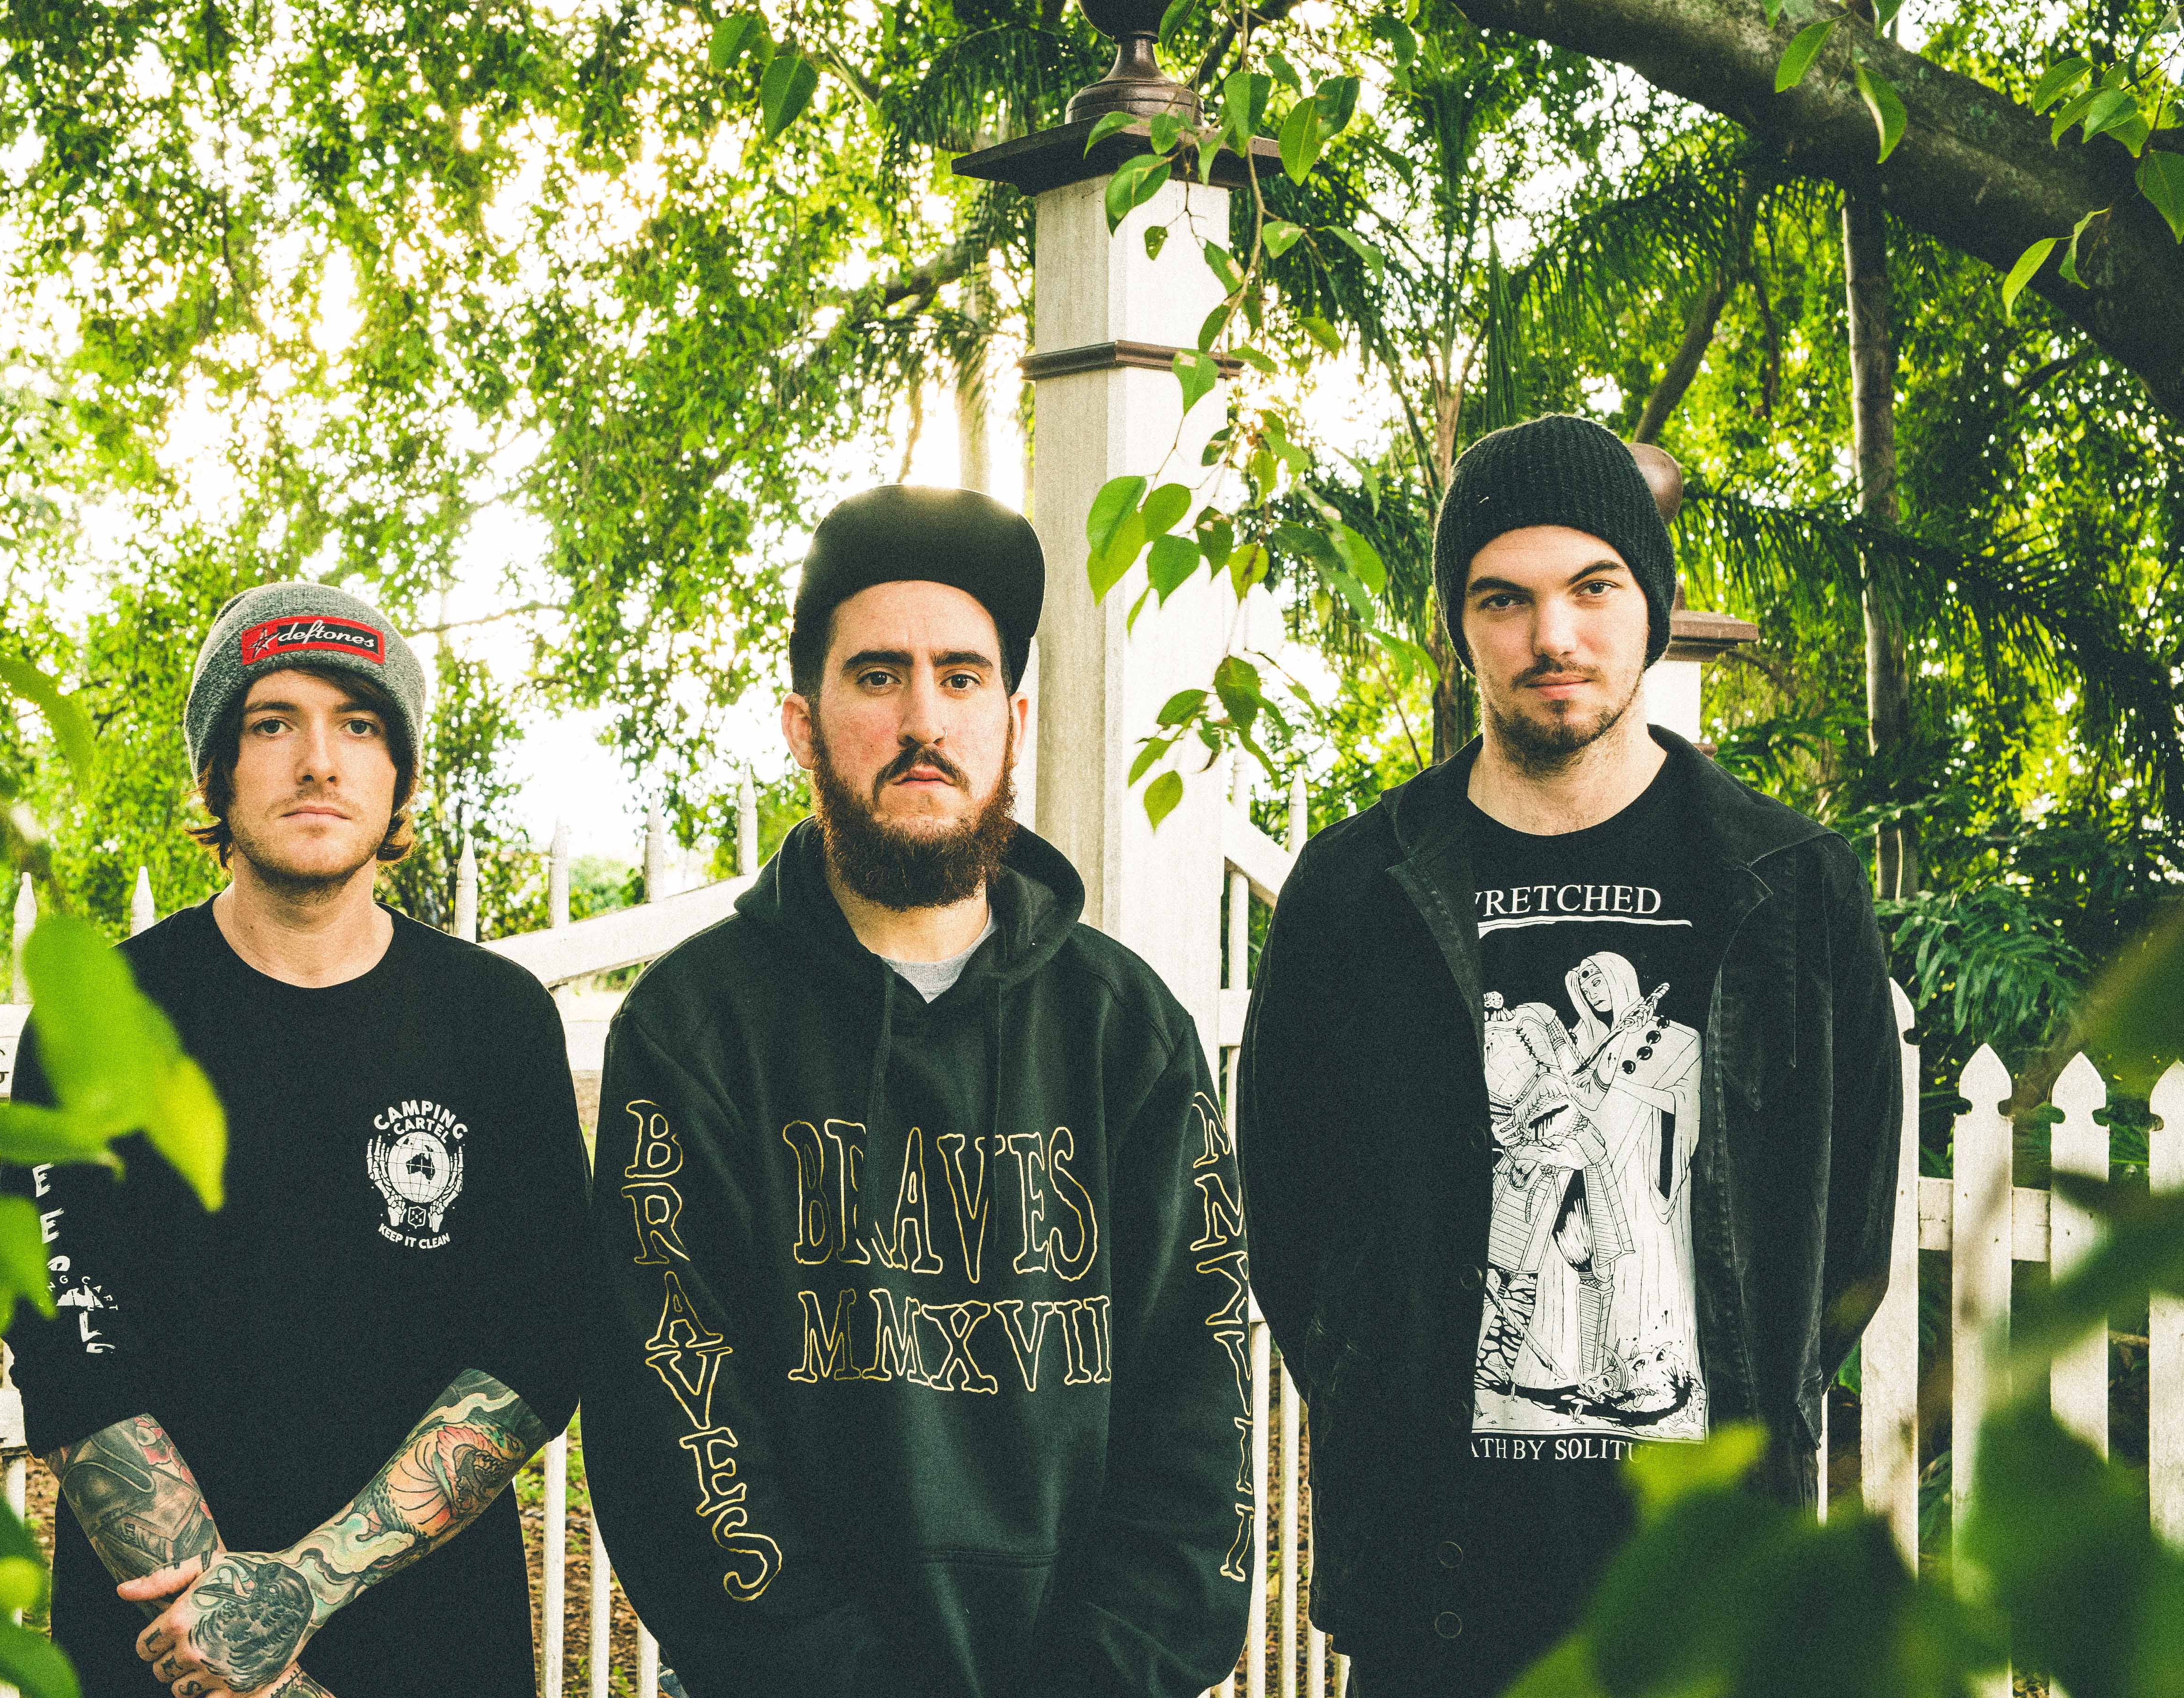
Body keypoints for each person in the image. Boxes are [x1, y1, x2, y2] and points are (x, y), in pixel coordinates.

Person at [1238, 416, 1904, 1696]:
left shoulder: (1791, 885)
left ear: (1652, 605)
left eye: (1594, 588)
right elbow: (1293, 1220)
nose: (1554, 635)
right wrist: (1386, 1405)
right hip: (1437, 1597)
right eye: (1506, 598)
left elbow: (1844, 1238)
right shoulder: (1357, 891)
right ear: (1459, 625)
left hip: (1706, 1595)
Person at [579, 485, 1252, 1698]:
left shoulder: (1126, 1035)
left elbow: (1197, 1420)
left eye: (961, 677)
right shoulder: (694, 1035)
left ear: (1014, 720)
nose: (923, 719)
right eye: (878, 676)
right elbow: (678, 1424)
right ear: (803, 725)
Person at [0, 583, 588, 1698]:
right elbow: (71, 1349)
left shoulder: (496, 1022)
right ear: (216, 774)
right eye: (274, 724)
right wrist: (234, 1647)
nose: (319, 762)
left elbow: (536, 1343)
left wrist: (299, 1594)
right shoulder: (96, 1024)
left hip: (438, 1652)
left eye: (359, 725)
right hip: (163, 1656)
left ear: (401, 775)